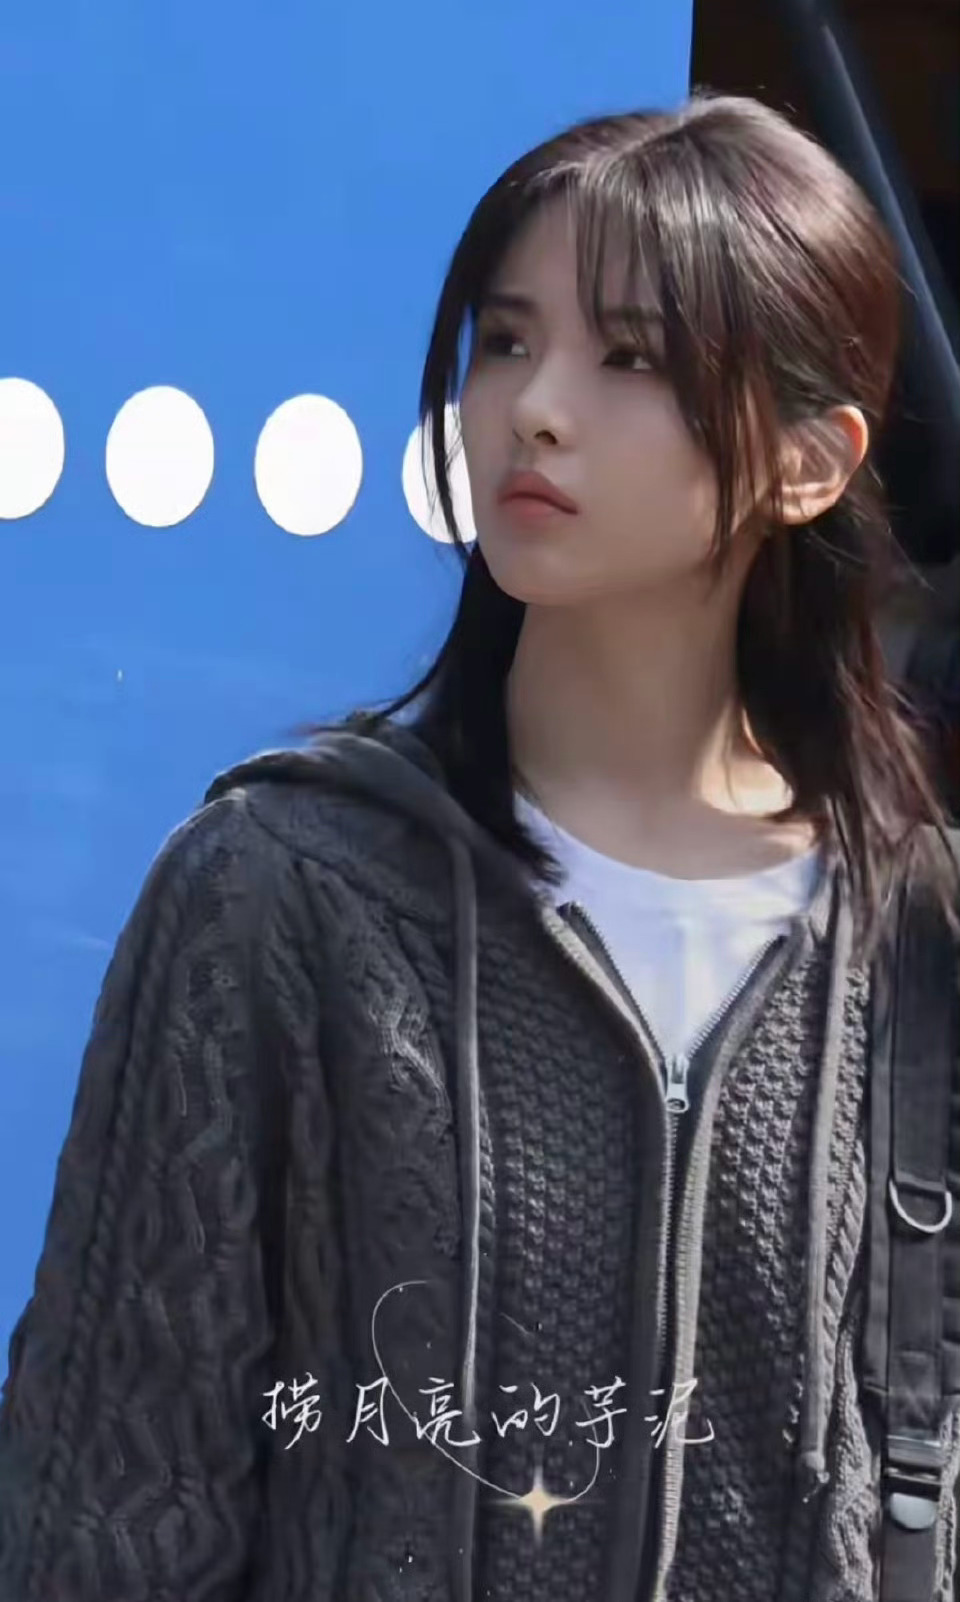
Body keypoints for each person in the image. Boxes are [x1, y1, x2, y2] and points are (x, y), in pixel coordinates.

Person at [1, 90, 958, 1602]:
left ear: (808, 459)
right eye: (506, 341)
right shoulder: (279, 890)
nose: (534, 408)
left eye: (630, 357)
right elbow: (105, 1516)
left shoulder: (917, 942)